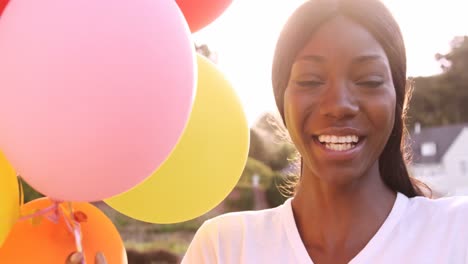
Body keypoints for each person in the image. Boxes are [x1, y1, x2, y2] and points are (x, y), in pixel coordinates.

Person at [181, 0, 468, 263]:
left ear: (398, 98)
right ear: (282, 100)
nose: (339, 105)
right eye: (310, 80)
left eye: (368, 80)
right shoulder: (225, 248)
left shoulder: (457, 233)